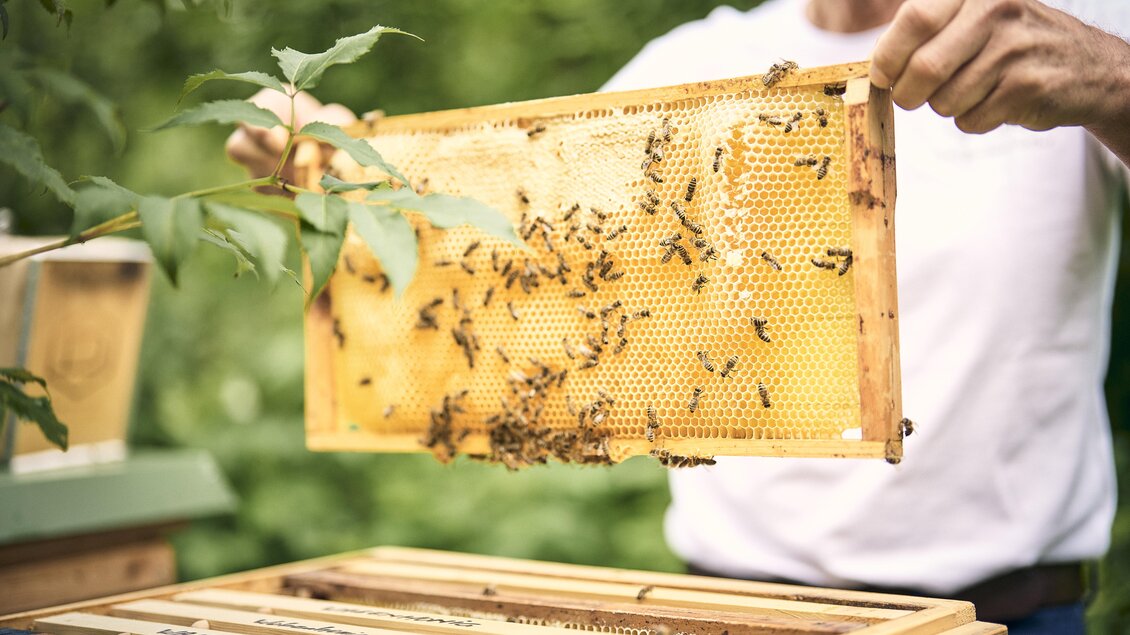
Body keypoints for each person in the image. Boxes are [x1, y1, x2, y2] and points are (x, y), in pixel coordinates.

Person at [228, 1, 1130, 631]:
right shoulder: (689, 64)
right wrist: (342, 172)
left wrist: (1113, 77)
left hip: (1008, 614)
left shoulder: (1074, 25)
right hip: (720, 610)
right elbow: (505, 255)